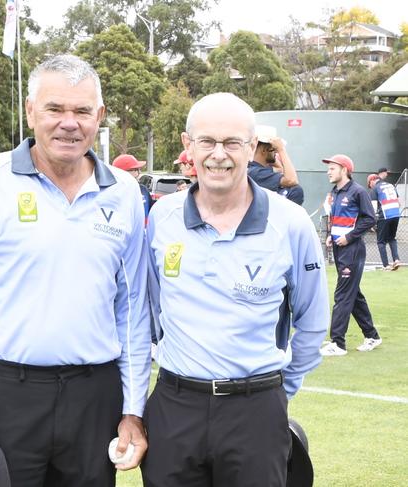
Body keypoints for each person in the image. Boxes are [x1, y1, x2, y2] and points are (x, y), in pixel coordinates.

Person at [0, 54, 151, 487]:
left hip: (96, 396)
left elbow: (132, 310)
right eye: (55, 109)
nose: (69, 123)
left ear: (100, 116)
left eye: (82, 111)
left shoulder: (125, 192)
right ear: (31, 111)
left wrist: (133, 410)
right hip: (8, 393)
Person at [141, 93, 329, 487]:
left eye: (232, 143)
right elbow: (153, 309)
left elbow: (312, 323)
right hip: (175, 405)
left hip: (256, 410)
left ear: (250, 148)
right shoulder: (163, 217)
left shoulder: (291, 223)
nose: (218, 155)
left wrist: (275, 393)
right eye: (206, 141)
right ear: (187, 145)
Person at [320, 155, 382, 356]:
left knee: (343, 294)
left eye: (332, 168)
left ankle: (338, 343)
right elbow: (337, 219)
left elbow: (369, 219)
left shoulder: (358, 191)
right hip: (340, 247)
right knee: (352, 294)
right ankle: (372, 336)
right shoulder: (335, 191)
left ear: (344, 169)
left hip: (352, 249)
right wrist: (331, 235)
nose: (328, 171)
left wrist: (349, 237)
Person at [247, 124, 304, 205]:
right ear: (264, 150)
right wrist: (281, 150)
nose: (276, 152)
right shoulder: (255, 173)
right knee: (295, 190)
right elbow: (292, 180)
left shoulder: (255, 169)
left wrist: (270, 152)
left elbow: (280, 169)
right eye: (274, 150)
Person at [369, 172, 401, 270]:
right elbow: (399, 201)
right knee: (392, 238)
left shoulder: (375, 189)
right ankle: (396, 260)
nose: (370, 187)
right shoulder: (391, 185)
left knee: (381, 241)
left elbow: (373, 208)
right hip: (396, 213)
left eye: (369, 185)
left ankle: (386, 265)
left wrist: (373, 222)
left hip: (385, 214)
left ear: (372, 181)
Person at [112, 153, 153, 219]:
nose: (140, 172)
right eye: (136, 169)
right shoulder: (110, 194)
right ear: (123, 172)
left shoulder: (143, 190)